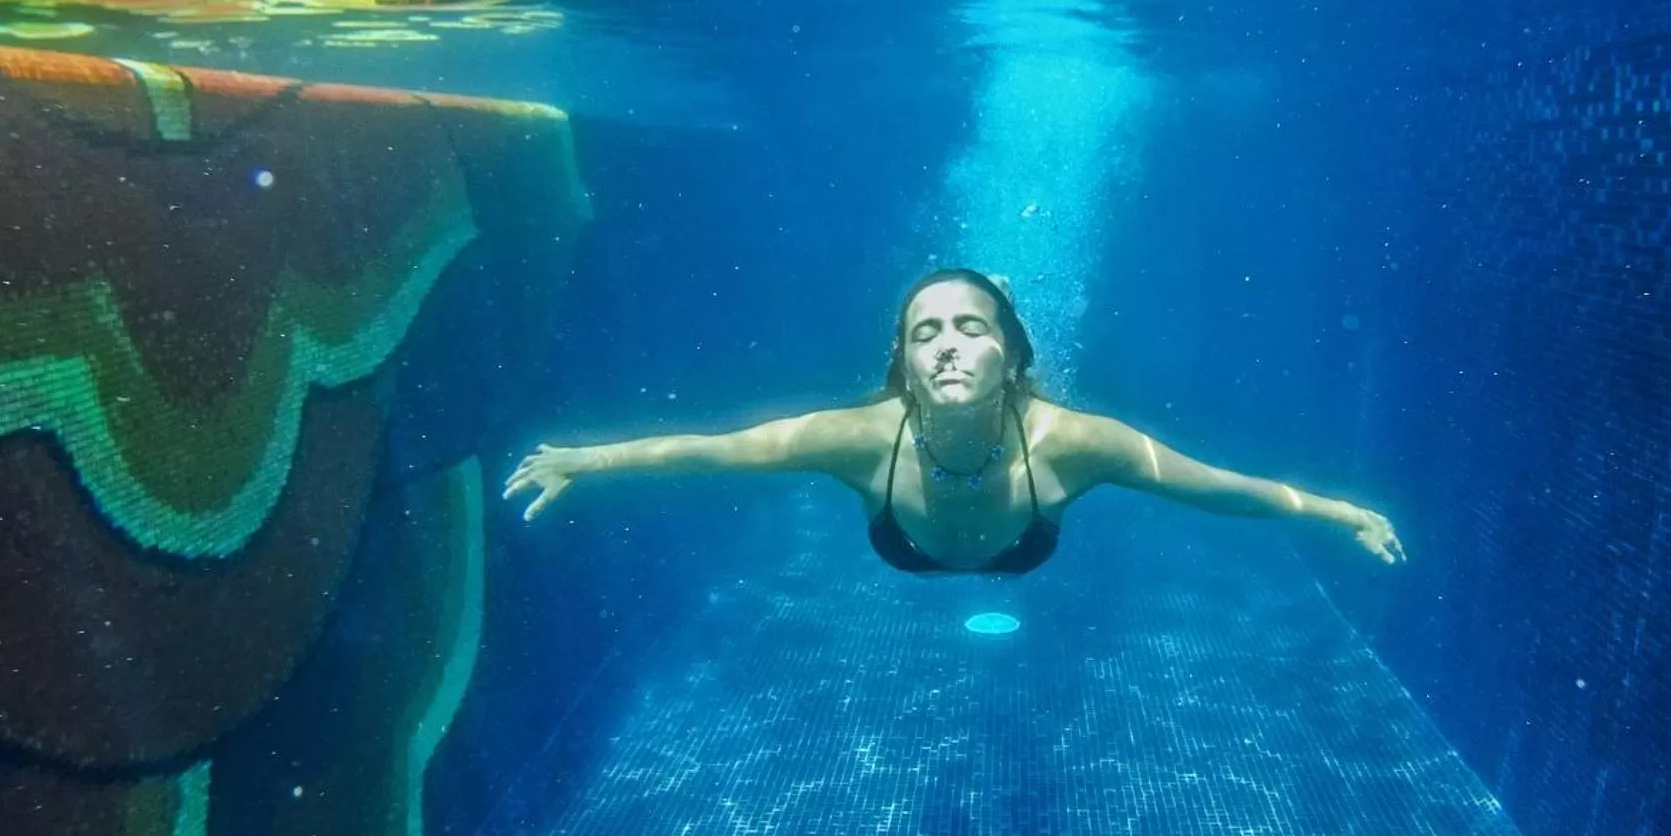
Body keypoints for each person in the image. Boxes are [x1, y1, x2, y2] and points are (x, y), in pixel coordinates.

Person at [502, 267, 1405, 573]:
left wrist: (1340, 513)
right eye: (923, 332)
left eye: (972, 328)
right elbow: (719, 451)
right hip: (909, 553)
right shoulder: (861, 437)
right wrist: (585, 460)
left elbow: (1217, 490)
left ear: (1010, 357)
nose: (945, 346)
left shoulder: (1078, 443)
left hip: (1023, 559)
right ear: (900, 363)